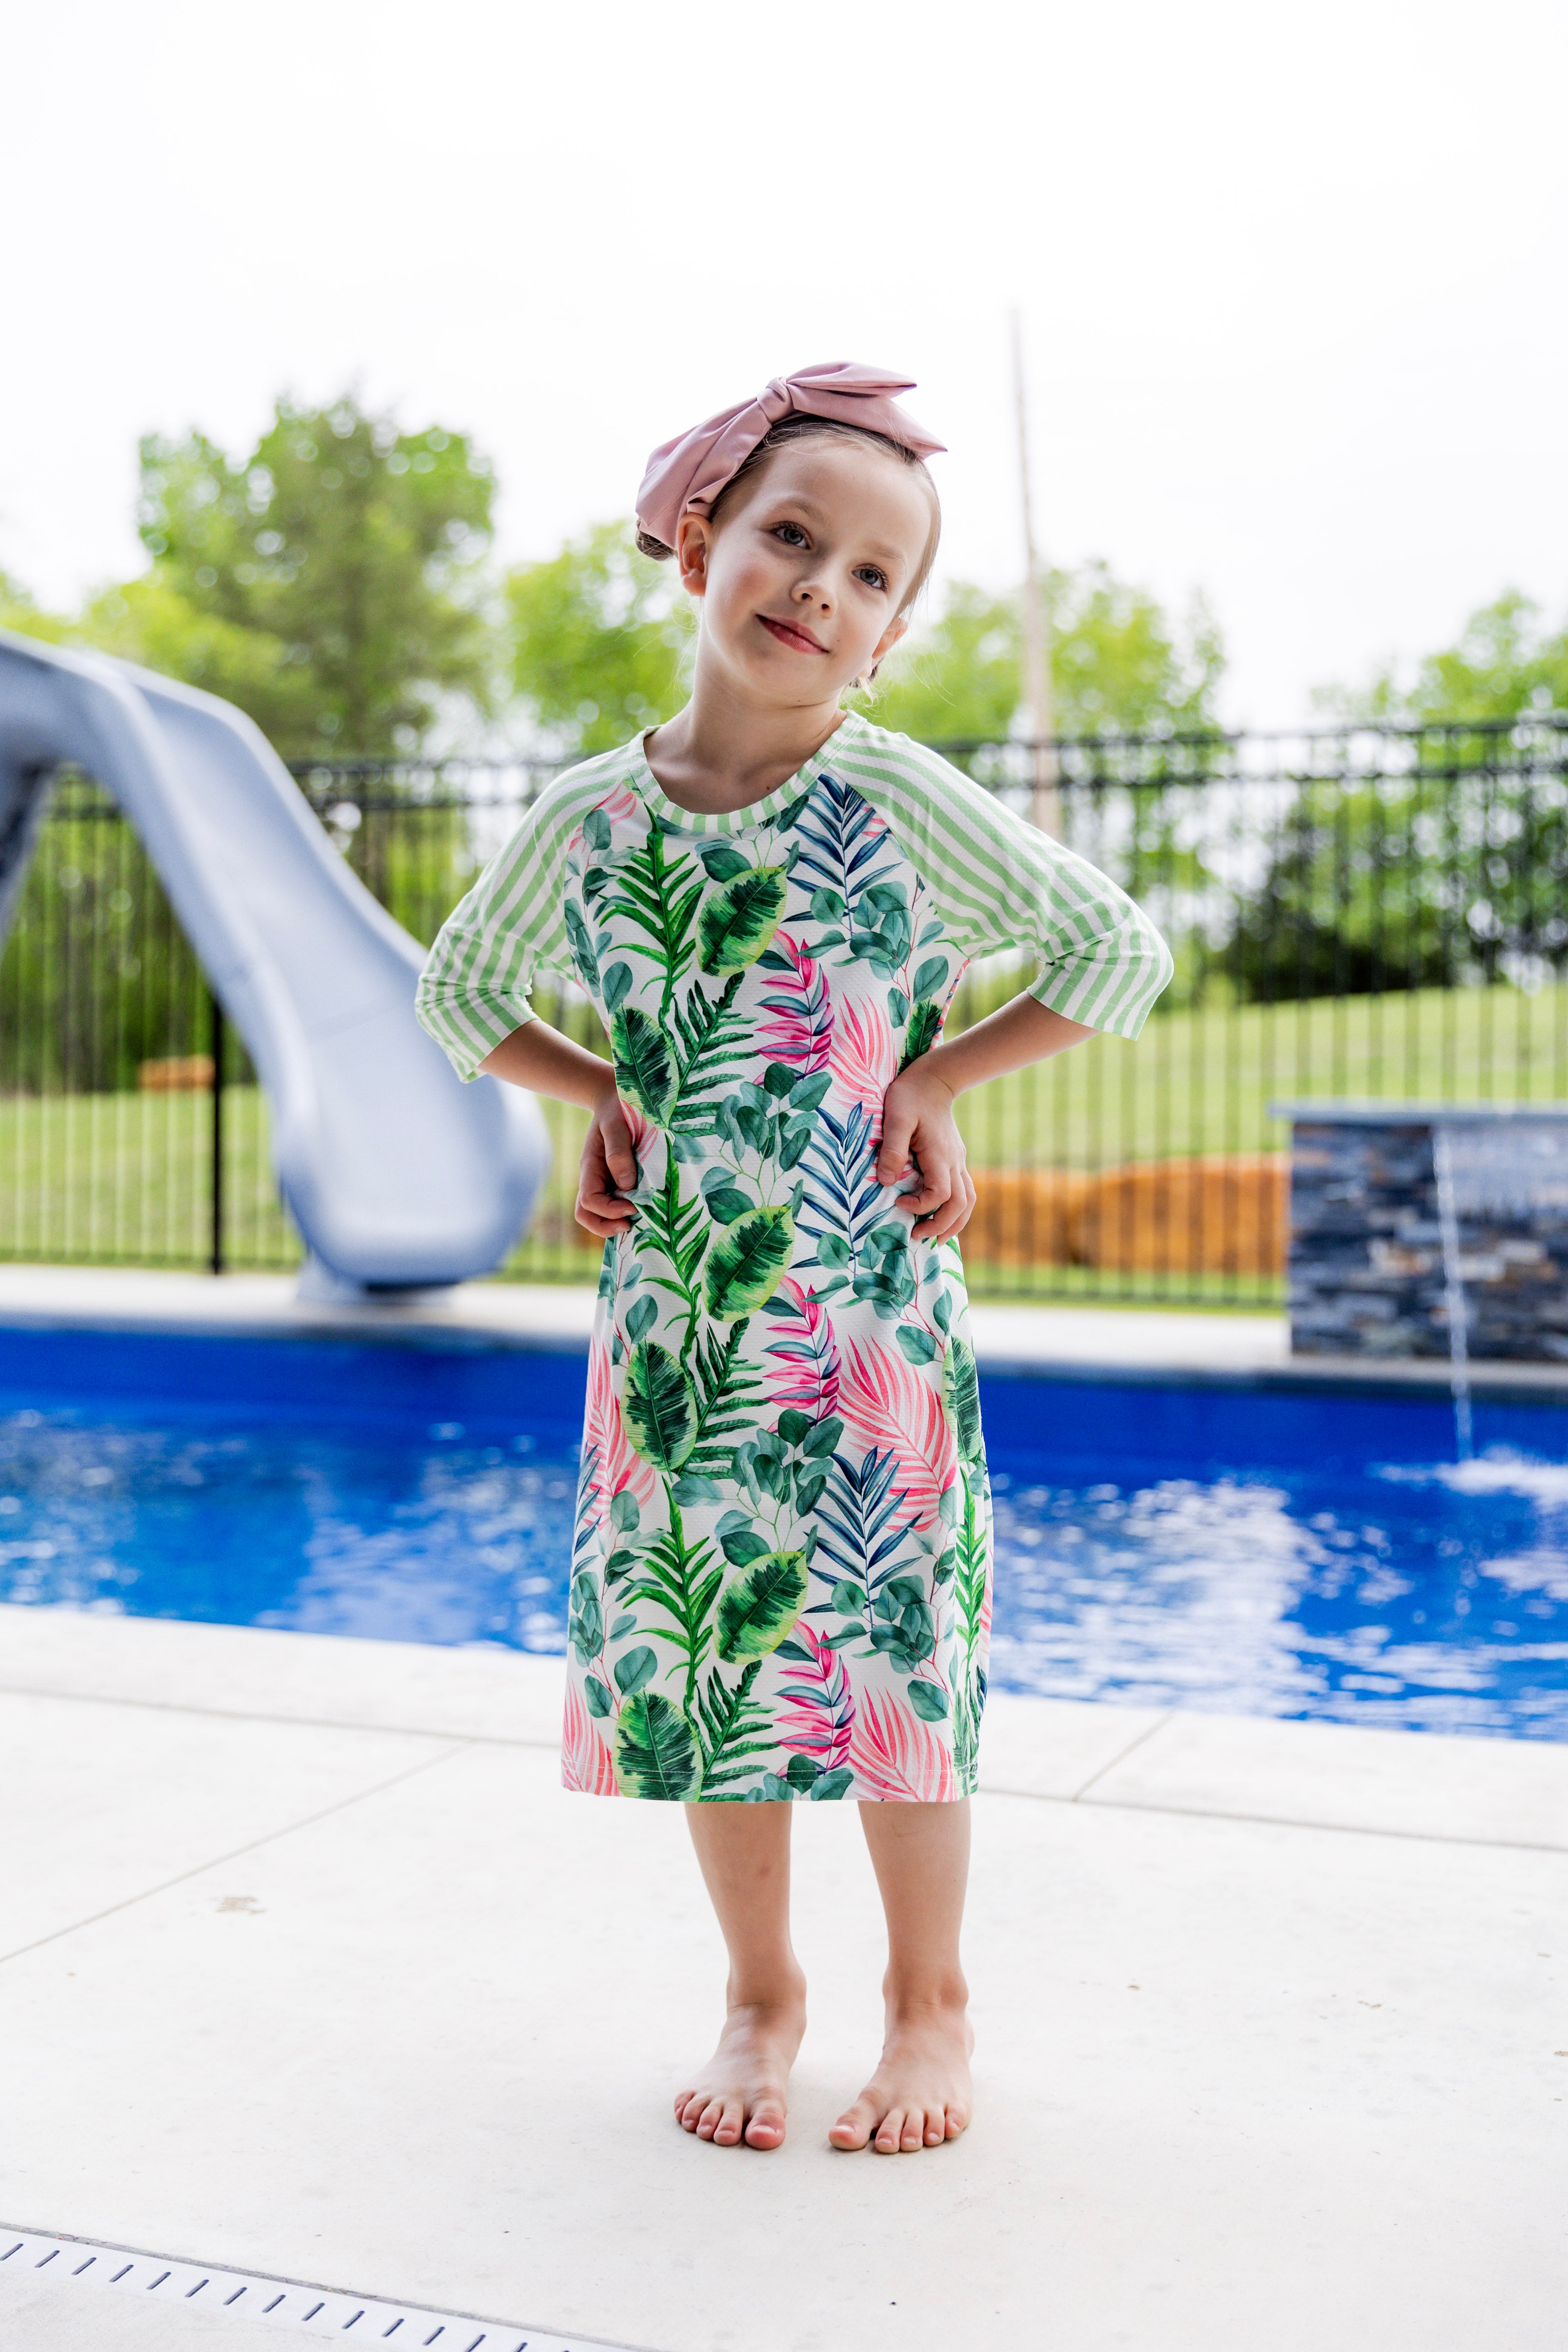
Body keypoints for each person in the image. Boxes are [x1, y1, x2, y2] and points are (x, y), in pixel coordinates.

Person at [416, 364, 1173, 2156]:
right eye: (792, 538)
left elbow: (1115, 951)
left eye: (870, 577)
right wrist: (602, 1089)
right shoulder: (591, 821)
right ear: (702, 549)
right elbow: (458, 991)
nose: (820, 588)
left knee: (892, 1676)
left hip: (866, 1330)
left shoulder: (895, 796)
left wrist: (936, 1076)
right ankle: (761, 1996)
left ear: (889, 637)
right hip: (679, 1337)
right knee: (716, 1672)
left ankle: (930, 2001)